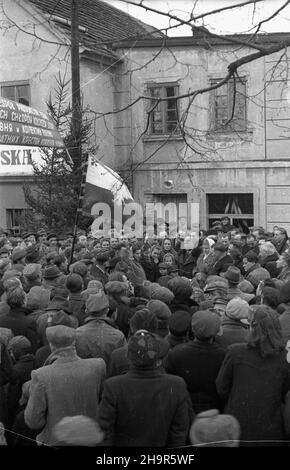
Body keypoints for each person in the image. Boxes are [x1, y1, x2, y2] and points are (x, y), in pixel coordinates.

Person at [99, 330, 193, 446]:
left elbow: (105, 431)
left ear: (128, 356)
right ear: (159, 360)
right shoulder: (177, 384)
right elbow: (179, 431)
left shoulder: (113, 386)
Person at [216, 305, 290, 446]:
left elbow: (221, 387)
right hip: (270, 429)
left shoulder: (235, 352)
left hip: (237, 425)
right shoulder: (285, 358)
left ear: (252, 327)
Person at [24, 325, 106, 446]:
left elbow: (33, 421)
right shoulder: (98, 366)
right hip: (91, 439)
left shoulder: (41, 375)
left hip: (57, 441)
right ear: (74, 342)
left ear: (51, 346)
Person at [166, 310, 226, 413]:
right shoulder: (224, 355)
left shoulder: (176, 353)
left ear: (192, 329)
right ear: (216, 331)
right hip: (214, 410)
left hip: (184, 408)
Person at [76, 292, 126, 365]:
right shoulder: (118, 336)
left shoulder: (76, 334)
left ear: (86, 311)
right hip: (110, 376)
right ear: (107, 310)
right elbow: (124, 361)